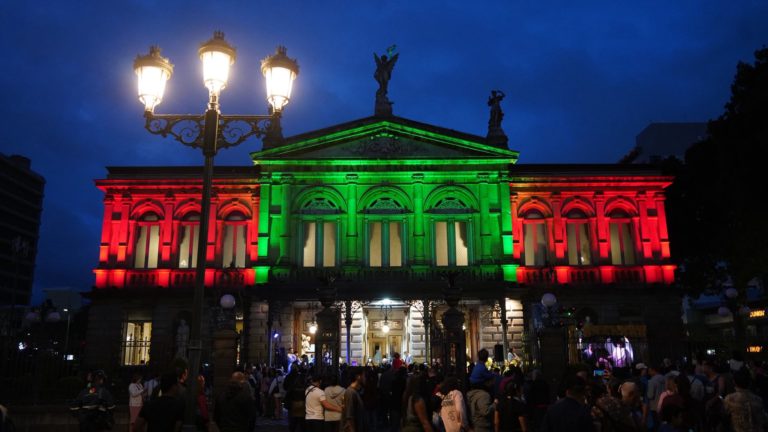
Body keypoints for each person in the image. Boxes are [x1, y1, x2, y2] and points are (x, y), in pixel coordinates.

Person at [342, 367, 367, 432]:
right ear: (358, 377)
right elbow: (349, 417)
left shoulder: (355, 392)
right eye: (364, 375)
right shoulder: (351, 392)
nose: (365, 378)